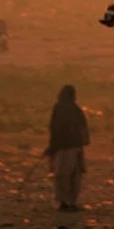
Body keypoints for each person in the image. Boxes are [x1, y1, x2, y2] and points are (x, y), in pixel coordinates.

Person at [45, 84, 90, 212]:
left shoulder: (59, 109)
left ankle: (64, 202)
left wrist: (51, 147)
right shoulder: (76, 110)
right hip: (74, 148)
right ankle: (71, 202)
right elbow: (84, 130)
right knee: (74, 177)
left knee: (63, 177)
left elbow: (53, 130)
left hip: (63, 149)